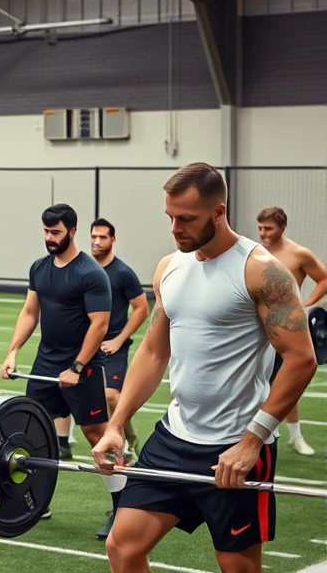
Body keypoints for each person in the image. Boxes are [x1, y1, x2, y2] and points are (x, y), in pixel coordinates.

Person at [95, 163, 318, 573]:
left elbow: (301, 359)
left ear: (219, 212)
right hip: (173, 437)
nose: (175, 228)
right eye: (170, 217)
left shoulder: (261, 270)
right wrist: (116, 424)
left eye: (186, 219)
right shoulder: (169, 267)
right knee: (122, 547)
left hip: (235, 443)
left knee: (237, 567)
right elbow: (152, 352)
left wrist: (252, 441)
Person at [0, 203, 124, 534]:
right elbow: (30, 312)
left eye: (55, 232)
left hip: (82, 367)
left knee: (97, 435)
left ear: (72, 231)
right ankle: (37, 502)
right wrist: (12, 351)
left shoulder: (90, 273)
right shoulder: (39, 268)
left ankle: (121, 508)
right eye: (46, 231)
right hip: (45, 363)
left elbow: (99, 325)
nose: (49, 238)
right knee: (34, 433)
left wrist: (77, 367)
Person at [256, 206, 326, 456]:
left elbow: (324, 279)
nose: (262, 233)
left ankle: (295, 437)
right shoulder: (255, 253)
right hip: (256, 328)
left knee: (286, 382)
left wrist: (306, 306)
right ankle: (247, 434)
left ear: (282, 228)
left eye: (268, 228)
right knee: (252, 380)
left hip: (285, 328)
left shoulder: (299, 254)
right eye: (260, 228)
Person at [90, 218, 150, 463]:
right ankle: (63, 441)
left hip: (113, 348)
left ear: (113, 240)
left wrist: (119, 340)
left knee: (111, 396)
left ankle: (125, 444)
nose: (97, 241)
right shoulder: (85, 270)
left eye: (103, 237)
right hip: (88, 346)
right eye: (94, 236)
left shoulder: (123, 273)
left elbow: (142, 308)